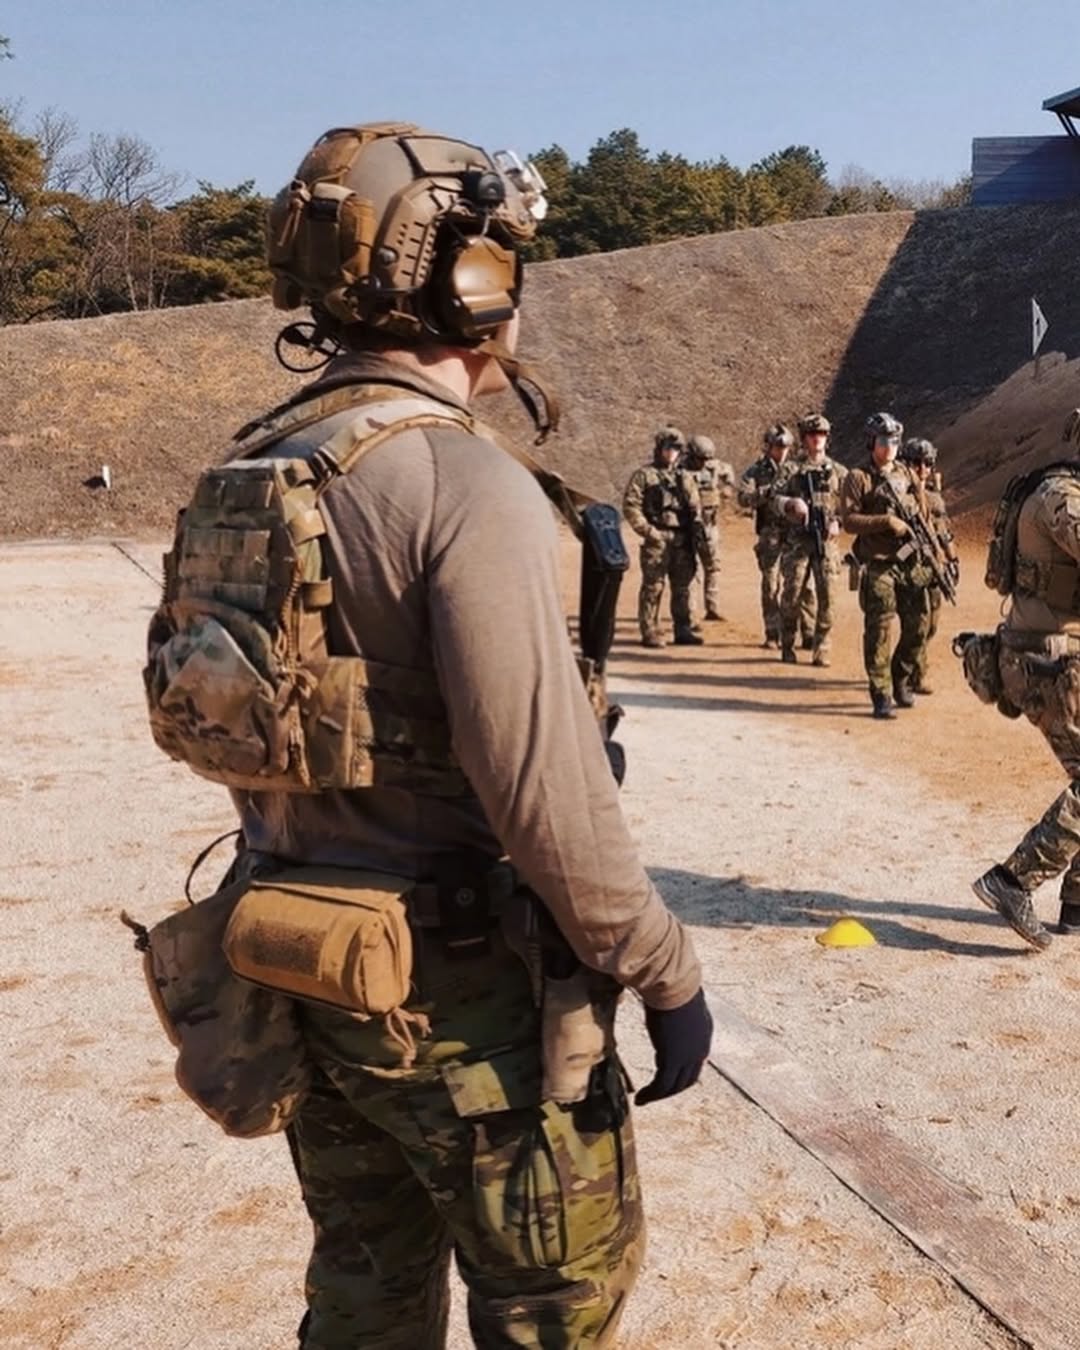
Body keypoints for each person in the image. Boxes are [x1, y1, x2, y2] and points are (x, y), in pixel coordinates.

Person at [143, 123, 711, 1348]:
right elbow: (545, 795)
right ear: (468, 279)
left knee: (366, 1296)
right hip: (461, 1005)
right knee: (556, 1303)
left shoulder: (259, 466)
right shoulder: (463, 482)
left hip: (298, 964)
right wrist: (665, 971)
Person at [971, 408, 1080, 950]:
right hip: (1045, 665)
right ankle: (1013, 881)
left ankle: (1077, 901)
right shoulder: (1061, 497)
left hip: (1055, 660)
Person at [840, 412, 933, 719]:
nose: (889, 446)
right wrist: (886, 522)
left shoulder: (906, 474)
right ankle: (881, 693)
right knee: (879, 628)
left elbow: (923, 512)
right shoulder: (858, 478)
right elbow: (849, 521)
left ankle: (901, 677)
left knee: (919, 625)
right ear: (871, 443)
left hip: (909, 561)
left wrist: (930, 547)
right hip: (878, 564)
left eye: (894, 441)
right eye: (883, 440)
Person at [772, 414, 847, 666]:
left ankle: (822, 647)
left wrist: (838, 522)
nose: (817, 439)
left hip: (826, 543)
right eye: (813, 435)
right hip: (798, 542)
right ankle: (787, 644)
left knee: (828, 597)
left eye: (822, 434)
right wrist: (791, 503)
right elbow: (773, 500)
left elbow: (851, 506)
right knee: (792, 594)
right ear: (804, 439)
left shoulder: (838, 472)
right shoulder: (790, 469)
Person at [623, 426, 705, 647]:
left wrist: (697, 528)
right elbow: (631, 506)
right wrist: (648, 531)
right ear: (659, 449)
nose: (671, 453)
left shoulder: (684, 477)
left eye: (675, 449)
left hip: (682, 539)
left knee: (683, 587)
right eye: (667, 448)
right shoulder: (644, 476)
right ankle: (650, 630)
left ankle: (683, 629)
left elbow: (695, 506)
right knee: (653, 586)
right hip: (657, 537)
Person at [737, 423, 815, 648]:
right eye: (778, 447)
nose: (782, 451)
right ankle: (772, 633)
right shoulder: (756, 471)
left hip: (795, 533)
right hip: (770, 533)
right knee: (771, 583)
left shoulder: (798, 469)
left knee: (802, 583)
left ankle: (808, 631)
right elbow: (743, 498)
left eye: (786, 447)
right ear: (768, 447)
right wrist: (766, 492)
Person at [899, 438, 959, 694]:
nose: (922, 468)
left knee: (932, 624)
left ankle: (909, 669)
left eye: (927, 463)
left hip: (934, 566)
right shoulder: (901, 497)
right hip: (910, 568)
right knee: (917, 624)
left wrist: (952, 559)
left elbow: (944, 532)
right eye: (916, 463)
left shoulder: (934, 499)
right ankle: (915, 674)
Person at [682, 433, 735, 620]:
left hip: (709, 524)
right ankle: (690, 612)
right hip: (687, 527)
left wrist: (726, 489)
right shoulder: (681, 471)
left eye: (706, 459)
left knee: (713, 566)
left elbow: (728, 473)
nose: (704, 463)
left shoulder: (714, 466)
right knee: (690, 569)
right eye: (700, 459)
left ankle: (712, 608)